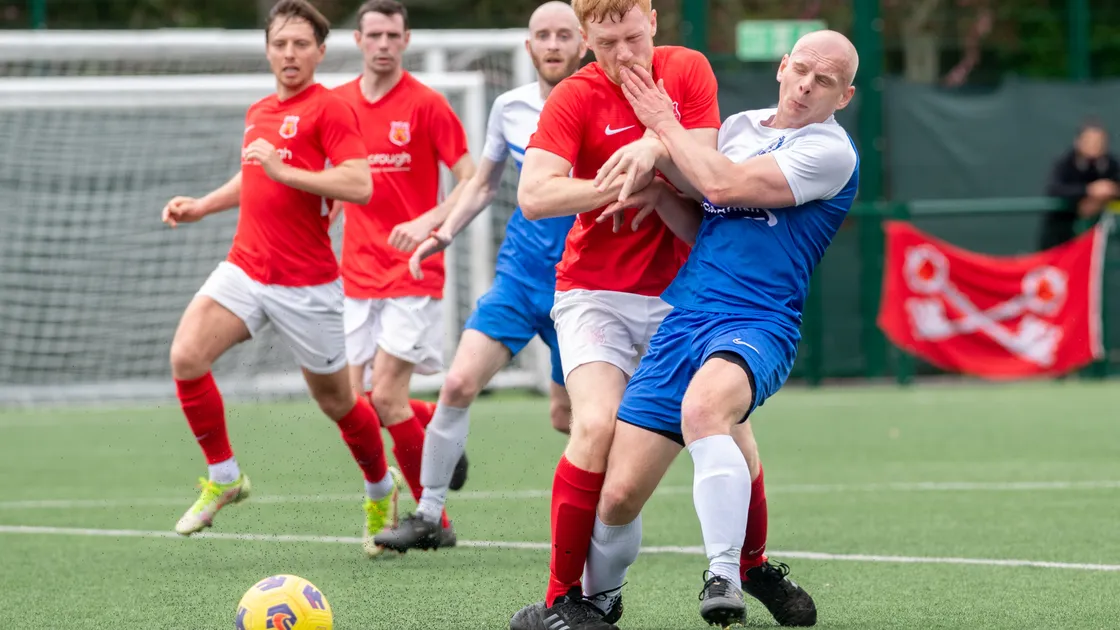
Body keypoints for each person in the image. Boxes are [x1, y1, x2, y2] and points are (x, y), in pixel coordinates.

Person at [583, 28, 860, 627]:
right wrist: (660, 197)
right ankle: (598, 604)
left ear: (845, 96)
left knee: (706, 412)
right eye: (803, 69)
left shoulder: (831, 152)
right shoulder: (737, 128)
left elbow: (721, 185)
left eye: (827, 81)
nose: (808, 85)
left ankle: (724, 574)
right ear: (782, 68)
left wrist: (663, 126)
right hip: (686, 317)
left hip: (759, 321)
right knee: (618, 495)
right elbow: (711, 220)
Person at [501, 1, 758, 628]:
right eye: (608, 42)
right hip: (595, 293)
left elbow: (703, 172)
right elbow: (534, 195)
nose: (625, 56)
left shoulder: (689, 70)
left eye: (635, 38)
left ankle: (755, 566)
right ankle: (565, 597)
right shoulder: (573, 96)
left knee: (734, 435)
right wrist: (620, 185)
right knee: (592, 428)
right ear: (586, 39)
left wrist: (650, 144)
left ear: (652, 23)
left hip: (684, 297)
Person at [161, 0, 396, 557]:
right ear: (268, 49)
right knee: (186, 356)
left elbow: (359, 185)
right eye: (280, 44)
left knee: (339, 403)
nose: (289, 53)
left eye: (300, 44)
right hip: (245, 266)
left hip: (306, 283)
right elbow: (253, 179)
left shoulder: (331, 110)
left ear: (319, 51)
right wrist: (202, 206)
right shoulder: (260, 110)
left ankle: (381, 491)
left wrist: (283, 169)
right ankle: (224, 476)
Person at [370, 1, 586, 553]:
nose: (554, 44)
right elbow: (484, 185)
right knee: (459, 382)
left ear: (584, 44)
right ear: (529, 47)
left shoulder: (603, 106)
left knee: (570, 418)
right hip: (519, 279)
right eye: (544, 35)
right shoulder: (509, 108)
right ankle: (430, 516)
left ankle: (596, 519)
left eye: (565, 35)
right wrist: (441, 229)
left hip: (584, 289)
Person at [331, 0, 477, 555]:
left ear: (406, 39)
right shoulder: (338, 105)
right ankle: (437, 429)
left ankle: (430, 514)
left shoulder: (427, 105)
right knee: (352, 402)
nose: (384, 44)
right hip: (355, 274)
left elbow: (468, 178)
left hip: (413, 272)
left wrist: (428, 220)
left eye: (393, 34)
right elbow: (335, 177)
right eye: (375, 34)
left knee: (386, 397)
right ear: (358, 39)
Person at [1040, 121, 1119, 250]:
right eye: (1089, 141)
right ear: (1078, 141)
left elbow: (1113, 188)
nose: (1094, 146)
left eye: (1099, 141)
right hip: (1061, 238)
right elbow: (1054, 189)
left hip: (1102, 241)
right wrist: (1088, 191)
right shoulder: (1065, 162)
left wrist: (1105, 195)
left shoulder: (1112, 164)